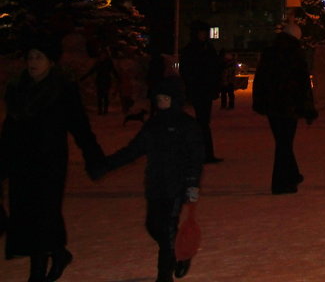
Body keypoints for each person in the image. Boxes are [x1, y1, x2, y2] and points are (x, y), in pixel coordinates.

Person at [0, 34, 105, 282]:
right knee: (26, 215)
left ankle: (36, 274)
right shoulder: (17, 90)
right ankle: (58, 253)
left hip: (50, 163)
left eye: (39, 57)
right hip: (21, 163)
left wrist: (94, 157)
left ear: (51, 62)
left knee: (44, 215)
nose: (33, 62)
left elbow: (80, 126)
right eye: (30, 57)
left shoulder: (62, 90)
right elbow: (8, 132)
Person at [100, 75, 204, 282]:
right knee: (153, 225)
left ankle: (164, 275)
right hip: (155, 184)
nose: (160, 102)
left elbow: (196, 156)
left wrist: (192, 183)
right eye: (158, 98)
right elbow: (133, 150)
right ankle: (181, 251)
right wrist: (106, 165)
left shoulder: (187, 125)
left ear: (174, 99)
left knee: (166, 231)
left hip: (177, 186)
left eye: (165, 98)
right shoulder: (153, 125)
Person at [252, 23, 317, 194]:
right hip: (290, 105)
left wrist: (260, 101)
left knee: (282, 142)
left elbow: (261, 79)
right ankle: (283, 181)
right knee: (284, 144)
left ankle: (290, 177)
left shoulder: (270, 52)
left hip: (273, 105)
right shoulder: (296, 54)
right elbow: (303, 84)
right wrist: (308, 108)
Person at [178, 21, 222, 163]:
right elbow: (187, 71)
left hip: (205, 90)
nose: (204, 35)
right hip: (198, 90)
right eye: (201, 33)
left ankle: (205, 153)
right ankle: (202, 153)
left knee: (203, 122)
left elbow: (214, 68)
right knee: (202, 122)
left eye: (205, 33)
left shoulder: (207, 48)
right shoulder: (192, 50)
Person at [81, 48, 116, 115]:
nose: (103, 56)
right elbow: (92, 71)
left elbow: (113, 70)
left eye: (104, 54)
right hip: (99, 80)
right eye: (101, 55)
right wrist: (83, 77)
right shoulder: (98, 63)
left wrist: (118, 78)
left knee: (105, 96)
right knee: (99, 96)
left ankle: (105, 111)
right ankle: (100, 111)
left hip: (106, 80)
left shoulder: (109, 62)